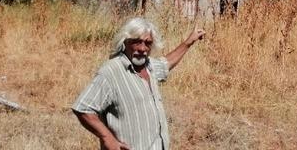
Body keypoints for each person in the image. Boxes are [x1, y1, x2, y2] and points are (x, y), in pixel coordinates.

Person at [72, 17, 205, 150]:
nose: (142, 48)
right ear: (125, 41)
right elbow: (84, 108)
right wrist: (107, 138)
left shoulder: (149, 67)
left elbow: (166, 63)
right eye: (136, 42)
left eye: (147, 43)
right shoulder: (111, 71)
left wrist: (189, 42)